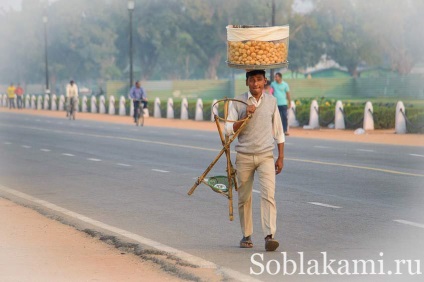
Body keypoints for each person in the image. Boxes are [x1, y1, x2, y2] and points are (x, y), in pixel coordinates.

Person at [225, 69, 285, 252]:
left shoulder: (272, 102)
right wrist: (245, 115)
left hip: (266, 155)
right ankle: (247, 234)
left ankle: (269, 236)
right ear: (247, 82)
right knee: (244, 197)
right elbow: (228, 130)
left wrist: (280, 156)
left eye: (259, 80)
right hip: (244, 156)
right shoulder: (237, 102)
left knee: (268, 195)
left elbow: (278, 131)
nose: (256, 84)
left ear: (265, 81)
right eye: (252, 80)